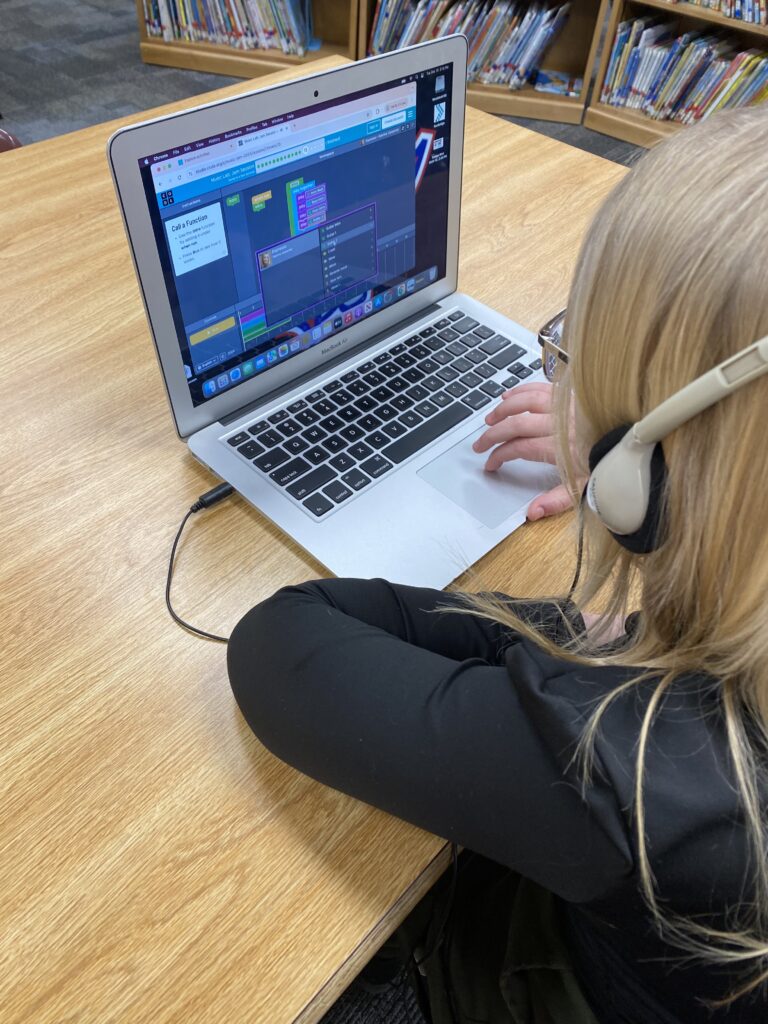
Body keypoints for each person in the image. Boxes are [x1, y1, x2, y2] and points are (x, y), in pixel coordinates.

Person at [226, 107, 768, 1024]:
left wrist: (582, 632)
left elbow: (280, 639)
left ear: (650, 468)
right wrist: (621, 445)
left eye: (575, 367)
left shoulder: (636, 771)